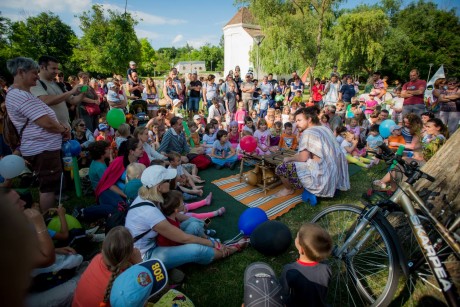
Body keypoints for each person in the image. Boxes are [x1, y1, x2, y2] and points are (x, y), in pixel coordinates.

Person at [124, 165, 248, 269]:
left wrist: (201, 223)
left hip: (158, 241)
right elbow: (184, 238)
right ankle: (232, 248)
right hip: (146, 255)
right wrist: (212, 243)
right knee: (197, 250)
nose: (171, 181)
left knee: (194, 222)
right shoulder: (150, 212)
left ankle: (208, 236)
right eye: (167, 180)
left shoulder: (151, 197)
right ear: (159, 187)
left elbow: (182, 218)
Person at [6, 57, 71, 212]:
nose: (37, 76)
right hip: (42, 148)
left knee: (49, 184)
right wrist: (63, 130)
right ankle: (46, 220)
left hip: (43, 146)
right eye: (34, 73)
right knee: (48, 187)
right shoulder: (19, 96)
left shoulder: (22, 94)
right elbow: (47, 123)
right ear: (21, 72)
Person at [275, 107, 350, 197]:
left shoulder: (309, 132)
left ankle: (288, 189)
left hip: (323, 177)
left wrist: (289, 158)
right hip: (335, 175)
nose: (296, 123)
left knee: (281, 167)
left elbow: (303, 158)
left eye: (299, 120)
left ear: (309, 119)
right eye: (296, 121)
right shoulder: (325, 128)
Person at [72, 226, 142, 307]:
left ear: (103, 247)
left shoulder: (98, 258)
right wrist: (139, 263)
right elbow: (146, 284)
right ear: (129, 257)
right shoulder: (125, 282)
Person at [280, 223, 332, 307]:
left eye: (297, 237)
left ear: (301, 250)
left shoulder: (290, 270)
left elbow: (283, 293)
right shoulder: (326, 267)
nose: (296, 238)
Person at [30, 55, 83, 129]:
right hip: (50, 130)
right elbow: (45, 100)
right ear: (42, 67)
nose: (57, 72)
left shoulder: (58, 84)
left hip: (65, 128)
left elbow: (73, 100)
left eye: (57, 69)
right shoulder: (35, 83)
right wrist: (71, 92)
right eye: (53, 68)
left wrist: (84, 93)